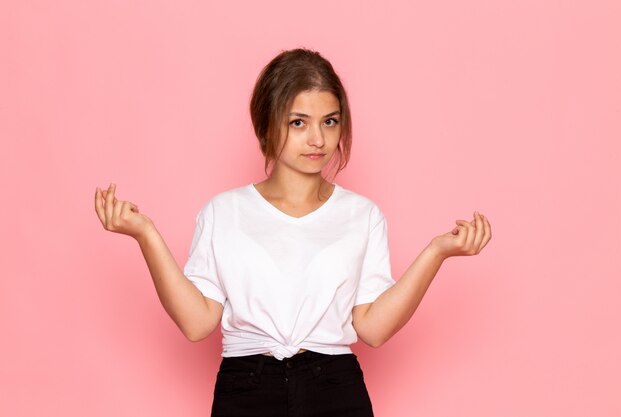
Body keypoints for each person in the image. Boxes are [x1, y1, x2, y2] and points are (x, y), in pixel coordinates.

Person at [94, 48, 492, 417]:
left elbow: (372, 328)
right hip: (245, 389)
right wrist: (144, 234)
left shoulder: (362, 215)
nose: (317, 139)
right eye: (298, 122)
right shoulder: (224, 212)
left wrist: (436, 253)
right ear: (267, 124)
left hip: (335, 388)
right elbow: (197, 323)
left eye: (329, 122)